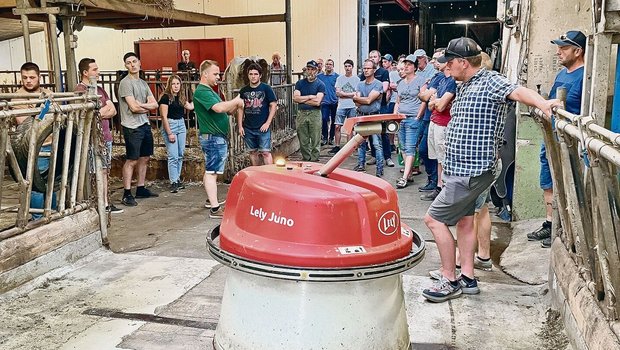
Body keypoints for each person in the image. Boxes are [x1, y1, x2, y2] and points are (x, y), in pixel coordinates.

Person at [421, 37, 562, 303]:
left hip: (470, 171)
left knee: (433, 219)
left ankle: (449, 278)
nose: (446, 68)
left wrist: (543, 104)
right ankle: (468, 276)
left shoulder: (490, 81)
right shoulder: (464, 85)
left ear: (464, 62)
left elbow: (519, 91)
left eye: (450, 63)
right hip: (461, 168)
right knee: (464, 221)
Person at [529, 30, 585, 248]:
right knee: (548, 182)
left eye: (564, 48)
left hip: (569, 143)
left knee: (568, 183)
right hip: (551, 138)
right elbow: (552, 102)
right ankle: (550, 223)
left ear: (578, 51)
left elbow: (584, 112)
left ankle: (566, 229)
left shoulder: (586, 76)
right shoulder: (562, 75)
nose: (558, 52)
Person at [194, 60, 244, 218]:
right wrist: (236, 100)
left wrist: (236, 104)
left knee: (211, 169)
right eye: (215, 74)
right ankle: (215, 209)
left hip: (215, 136)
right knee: (212, 172)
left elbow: (226, 111)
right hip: (213, 137)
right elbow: (219, 108)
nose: (218, 77)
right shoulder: (202, 91)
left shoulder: (209, 91)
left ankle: (211, 200)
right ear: (205, 74)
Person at [74, 58, 123, 213]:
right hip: (92, 138)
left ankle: (105, 202)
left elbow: (113, 110)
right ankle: (98, 203)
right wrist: (100, 113)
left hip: (105, 136)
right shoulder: (80, 90)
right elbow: (85, 115)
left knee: (104, 170)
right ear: (85, 72)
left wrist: (97, 113)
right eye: (94, 69)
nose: (98, 72)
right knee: (95, 171)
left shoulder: (100, 90)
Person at [11, 62, 54, 220]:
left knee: (52, 182)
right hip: (32, 147)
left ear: (39, 77)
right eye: (25, 77)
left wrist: (39, 116)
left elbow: (55, 118)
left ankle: (53, 215)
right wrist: (43, 114)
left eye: (32, 77)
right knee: (36, 185)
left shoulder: (48, 93)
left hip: (51, 144)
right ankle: (37, 219)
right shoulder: (17, 97)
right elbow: (25, 123)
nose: (28, 80)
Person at [118, 52, 159, 207]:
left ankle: (140, 188)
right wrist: (144, 106)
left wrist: (142, 106)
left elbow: (154, 104)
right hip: (132, 126)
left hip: (144, 124)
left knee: (145, 157)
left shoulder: (142, 83)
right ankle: (127, 193)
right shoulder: (126, 83)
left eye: (134, 61)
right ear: (125, 65)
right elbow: (133, 108)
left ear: (139, 62)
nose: (132, 65)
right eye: (128, 63)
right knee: (132, 159)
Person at [419, 49, 456, 201]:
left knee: (443, 158)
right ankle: (439, 186)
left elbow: (440, 106)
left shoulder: (452, 81)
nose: (434, 62)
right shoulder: (441, 79)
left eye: (438, 60)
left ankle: (444, 190)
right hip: (435, 121)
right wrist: (436, 101)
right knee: (435, 157)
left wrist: (435, 101)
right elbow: (429, 104)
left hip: (443, 124)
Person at [394, 54, 426, 189]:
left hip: (413, 117)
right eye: (405, 64)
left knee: (410, 146)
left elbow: (424, 100)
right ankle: (409, 174)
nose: (406, 67)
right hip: (401, 118)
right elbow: (398, 101)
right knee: (402, 146)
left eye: (409, 64)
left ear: (415, 67)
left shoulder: (421, 80)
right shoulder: (400, 83)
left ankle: (405, 177)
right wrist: (395, 114)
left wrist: (418, 116)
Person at [236, 63, 278, 166]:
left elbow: (273, 105)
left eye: (255, 74)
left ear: (260, 75)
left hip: (262, 126)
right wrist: (240, 126)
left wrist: (268, 123)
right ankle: (257, 173)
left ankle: (270, 174)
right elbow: (240, 108)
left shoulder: (266, 88)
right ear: (248, 75)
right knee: (252, 152)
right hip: (248, 127)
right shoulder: (244, 90)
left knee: (265, 152)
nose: (253, 76)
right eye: (251, 74)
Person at [158, 74, 194, 193]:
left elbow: (189, 107)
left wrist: (198, 97)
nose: (176, 86)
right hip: (170, 124)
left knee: (180, 154)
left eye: (178, 84)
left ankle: (177, 179)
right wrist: (169, 133)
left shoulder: (181, 97)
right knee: (173, 155)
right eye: (173, 84)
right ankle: (173, 181)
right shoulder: (165, 98)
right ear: (169, 85)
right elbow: (163, 116)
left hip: (181, 124)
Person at [353, 59, 384, 177]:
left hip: (373, 116)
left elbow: (368, 100)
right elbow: (357, 103)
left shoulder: (378, 84)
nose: (365, 70)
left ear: (374, 70)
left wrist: (359, 99)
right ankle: (361, 165)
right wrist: (361, 100)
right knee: (360, 143)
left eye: (368, 68)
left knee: (376, 144)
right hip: (361, 115)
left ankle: (379, 169)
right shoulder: (360, 84)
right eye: (364, 68)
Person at [413, 48, 439, 184]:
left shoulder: (436, 74)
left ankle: (435, 182)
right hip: (426, 116)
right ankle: (432, 180)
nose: (434, 61)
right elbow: (424, 95)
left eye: (437, 59)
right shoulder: (432, 76)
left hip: (433, 117)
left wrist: (426, 95)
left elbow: (426, 97)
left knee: (429, 150)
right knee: (422, 148)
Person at [366, 50, 394, 167]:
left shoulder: (383, 72)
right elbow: (361, 89)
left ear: (379, 58)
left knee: (383, 132)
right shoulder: (365, 72)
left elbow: (383, 89)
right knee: (371, 131)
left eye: (375, 57)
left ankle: (387, 157)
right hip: (369, 107)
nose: (373, 58)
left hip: (381, 106)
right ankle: (374, 155)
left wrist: (370, 94)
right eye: (371, 57)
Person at [293, 60, 325, 161]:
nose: (310, 71)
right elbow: (295, 98)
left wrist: (302, 100)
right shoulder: (299, 83)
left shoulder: (320, 84)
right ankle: (306, 158)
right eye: (308, 69)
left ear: (317, 71)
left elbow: (317, 102)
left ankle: (314, 159)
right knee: (303, 138)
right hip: (301, 113)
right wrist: (310, 96)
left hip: (315, 113)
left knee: (315, 138)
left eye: (313, 69)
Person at [329, 59, 360, 154]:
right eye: (346, 66)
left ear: (352, 67)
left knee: (350, 127)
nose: (347, 68)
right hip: (341, 106)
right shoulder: (340, 79)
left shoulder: (357, 79)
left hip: (352, 106)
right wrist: (350, 94)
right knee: (337, 126)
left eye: (349, 66)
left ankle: (349, 147)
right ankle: (337, 146)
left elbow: (357, 93)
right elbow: (338, 93)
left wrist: (344, 93)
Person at [317, 59, 339, 146]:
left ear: (333, 66)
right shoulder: (319, 77)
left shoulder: (337, 77)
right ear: (324, 66)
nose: (328, 66)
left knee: (334, 120)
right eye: (327, 64)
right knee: (324, 119)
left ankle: (331, 138)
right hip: (324, 102)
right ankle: (325, 137)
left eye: (330, 64)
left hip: (334, 101)